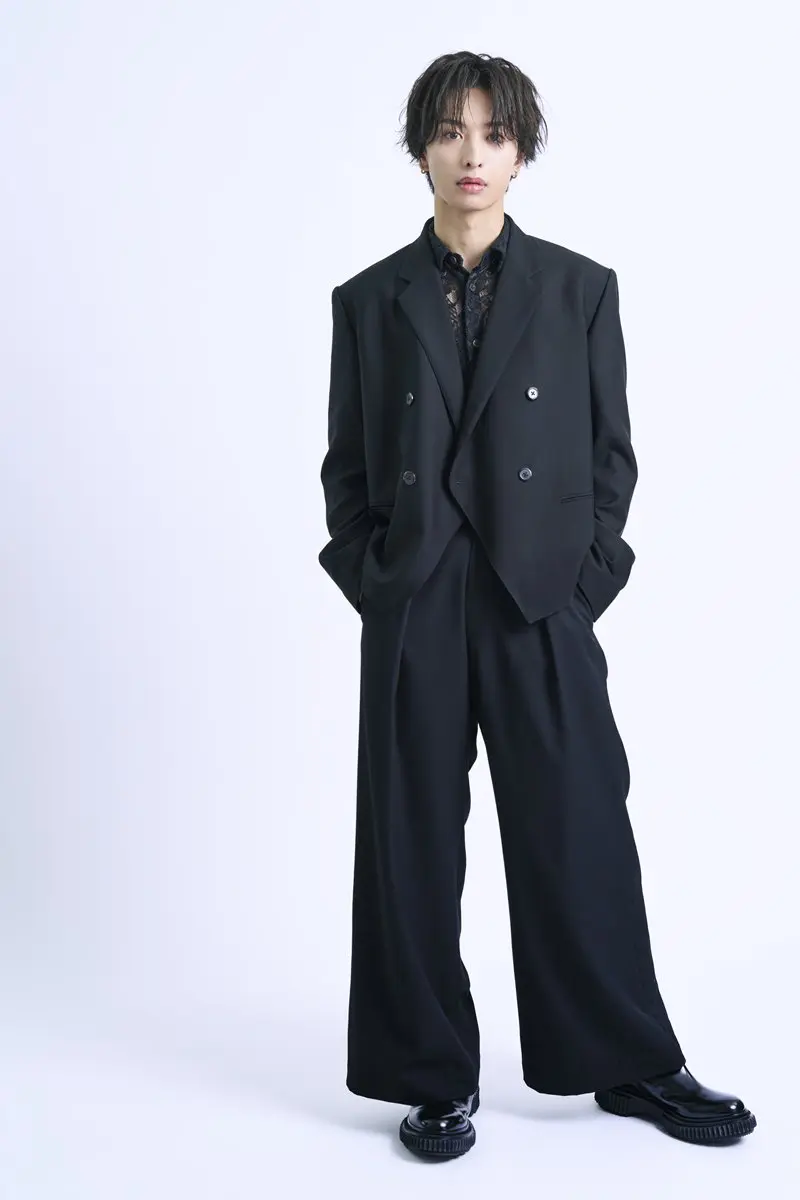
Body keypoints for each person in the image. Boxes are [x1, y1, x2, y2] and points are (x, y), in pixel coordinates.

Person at [317, 50, 756, 1158]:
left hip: (537, 597)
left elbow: (612, 458)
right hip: (418, 600)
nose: (471, 153)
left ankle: (627, 1061)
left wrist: (583, 581)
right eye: (449, 131)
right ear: (420, 149)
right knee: (410, 841)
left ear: (520, 152)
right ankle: (430, 1075)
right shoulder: (368, 300)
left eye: (493, 133)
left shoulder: (578, 288)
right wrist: (376, 579)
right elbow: (347, 467)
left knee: (578, 825)